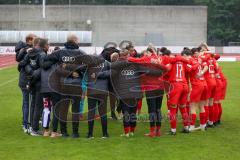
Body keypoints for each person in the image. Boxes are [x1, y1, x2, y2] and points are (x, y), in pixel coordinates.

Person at [111, 49, 167, 137]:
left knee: (130, 112)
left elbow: (113, 66)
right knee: (138, 112)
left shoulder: (119, 64)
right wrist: (158, 70)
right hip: (146, 90)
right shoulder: (139, 64)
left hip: (134, 91)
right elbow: (156, 70)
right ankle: (152, 131)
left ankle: (132, 133)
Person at [15, 33, 36, 133]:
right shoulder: (30, 51)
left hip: (23, 79)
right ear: (30, 40)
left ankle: (25, 123)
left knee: (25, 102)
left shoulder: (22, 50)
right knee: (30, 103)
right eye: (34, 39)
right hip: (29, 79)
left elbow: (19, 64)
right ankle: (28, 124)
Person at [86, 58, 111, 139]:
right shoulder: (106, 63)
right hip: (102, 90)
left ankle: (90, 134)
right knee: (103, 113)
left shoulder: (89, 63)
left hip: (91, 90)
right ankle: (104, 134)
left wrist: (98, 74)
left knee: (91, 112)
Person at [188, 48, 208, 131]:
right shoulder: (200, 59)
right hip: (204, 84)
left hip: (197, 85)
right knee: (201, 106)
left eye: (197, 53)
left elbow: (189, 69)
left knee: (192, 106)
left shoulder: (191, 60)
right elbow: (206, 66)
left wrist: (200, 73)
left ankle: (192, 126)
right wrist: (202, 73)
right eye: (196, 53)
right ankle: (203, 126)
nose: (197, 54)